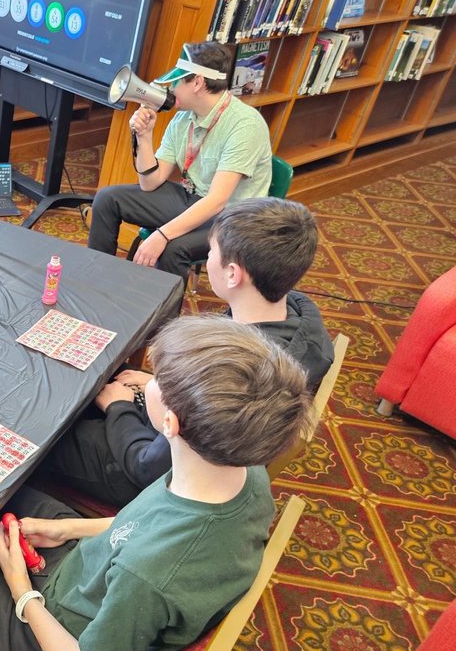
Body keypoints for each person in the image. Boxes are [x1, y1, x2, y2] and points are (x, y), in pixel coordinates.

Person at [0, 315, 312, 651]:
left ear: (169, 423)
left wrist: (21, 590)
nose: (147, 380)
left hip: (62, 649)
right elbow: (147, 525)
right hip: (93, 576)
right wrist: (68, 529)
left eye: (156, 379)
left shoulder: (147, 575)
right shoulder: (245, 474)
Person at [43, 197, 334, 508]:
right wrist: (164, 387)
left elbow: (147, 467)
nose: (208, 260)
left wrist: (119, 408)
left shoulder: (235, 376)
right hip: (202, 439)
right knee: (87, 384)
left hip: (153, 475)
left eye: (211, 253)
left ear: (233, 274)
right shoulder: (295, 314)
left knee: (49, 421)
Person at [88, 42, 272, 281]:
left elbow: (217, 201)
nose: (171, 88)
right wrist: (144, 137)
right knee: (107, 199)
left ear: (197, 82)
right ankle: (95, 280)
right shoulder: (184, 118)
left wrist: (162, 235)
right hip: (193, 199)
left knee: (173, 249)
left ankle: (164, 318)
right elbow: (150, 183)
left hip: (233, 218)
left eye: (177, 81)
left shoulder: (245, 125)